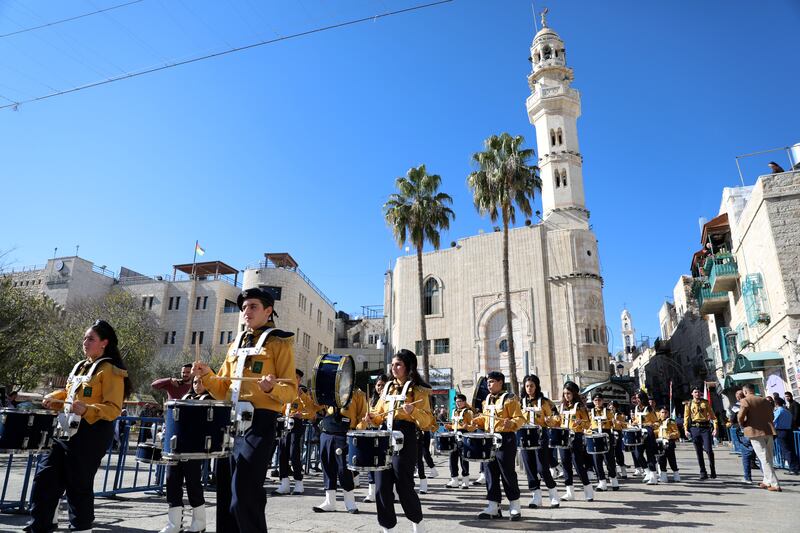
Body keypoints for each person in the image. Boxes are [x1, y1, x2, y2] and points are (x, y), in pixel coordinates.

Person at [192, 287, 296, 533]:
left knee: (244, 497)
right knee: (227, 500)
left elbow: (291, 391)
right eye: (243, 308)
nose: (245, 312)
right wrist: (206, 375)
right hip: (230, 424)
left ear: (268, 311)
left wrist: (272, 389)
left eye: (253, 307)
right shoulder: (235, 344)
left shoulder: (280, 343)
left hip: (260, 424)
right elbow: (223, 388)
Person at [27, 320, 131, 533]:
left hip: (91, 433)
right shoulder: (80, 366)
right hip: (64, 430)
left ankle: (81, 529)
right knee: (45, 476)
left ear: (104, 343)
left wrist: (87, 410)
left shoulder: (111, 370)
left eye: (90, 338)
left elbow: (113, 408)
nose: (85, 342)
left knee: (78, 484)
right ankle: (40, 525)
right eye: (84, 338)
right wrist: (54, 397)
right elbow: (69, 394)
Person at [363, 349, 434, 533]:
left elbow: (427, 422)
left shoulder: (418, 390)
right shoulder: (386, 388)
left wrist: (413, 412)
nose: (393, 368)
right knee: (381, 487)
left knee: (404, 486)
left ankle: (418, 524)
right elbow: (379, 414)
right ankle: (387, 528)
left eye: (398, 364)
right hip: (385, 437)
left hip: (406, 438)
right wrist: (371, 417)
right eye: (392, 364)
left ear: (408, 367)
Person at [159, 376, 213, 533]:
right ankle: (174, 524)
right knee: (171, 481)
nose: (197, 385)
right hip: (177, 447)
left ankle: (199, 522)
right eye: (195, 382)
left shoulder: (209, 399)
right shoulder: (185, 397)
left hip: (194, 447)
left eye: (202, 382)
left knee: (193, 483)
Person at [471, 371, 525, 520]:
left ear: (501, 382)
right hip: (489, 439)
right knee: (490, 473)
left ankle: (515, 506)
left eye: (492, 381)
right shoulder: (486, 399)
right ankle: (493, 507)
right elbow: (486, 419)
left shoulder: (510, 399)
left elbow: (520, 418)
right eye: (488, 382)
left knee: (507, 473)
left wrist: (512, 423)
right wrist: (477, 421)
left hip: (505, 439)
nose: (489, 385)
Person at [312, 385, 367, 514]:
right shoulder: (329, 391)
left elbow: (363, 416)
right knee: (327, 465)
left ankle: (350, 502)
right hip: (327, 432)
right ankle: (329, 501)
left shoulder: (358, 394)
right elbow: (315, 409)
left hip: (345, 433)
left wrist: (356, 432)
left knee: (344, 469)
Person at [273, 369, 319, 496]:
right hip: (285, 422)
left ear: (300, 380)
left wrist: (301, 414)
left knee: (294, 452)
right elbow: (281, 407)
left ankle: (298, 482)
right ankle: (284, 483)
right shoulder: (284, 391)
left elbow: (311, 410)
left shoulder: (303, 392)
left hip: (296, 423)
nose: (294, 379)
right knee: (282, 452)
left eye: (297, 377)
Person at [518, 374, 560, 508]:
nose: (529, 388)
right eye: (527, 386)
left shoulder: (545, 402)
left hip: (541, 436)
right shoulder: (520, 402)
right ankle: (536, 496)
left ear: (536, 386)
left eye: (532, 386)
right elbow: (516, 417)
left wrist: (550, 421)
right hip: (524, 437)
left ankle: (553, 494)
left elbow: (556, 417)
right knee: (529, 468)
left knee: (542, 468)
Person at [553, 381, 594, 501]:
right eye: (565, 393)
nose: (566, 396)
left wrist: (581, 422)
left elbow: (588, 424)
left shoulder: (580, 407)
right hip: (563, 437)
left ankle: (588, 489)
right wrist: (552, 420)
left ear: (574, 393)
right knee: (565, 464)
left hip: (575, 437)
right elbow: (558, 421)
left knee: (578, 464)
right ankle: (569, 492)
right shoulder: (561, 406)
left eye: (569, 393)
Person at [738, 383, 781, 491]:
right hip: (768, 430)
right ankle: (766, 481)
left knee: (763, 458)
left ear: (745, 391)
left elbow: (740, 416)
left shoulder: (745, 400)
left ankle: (775, 483)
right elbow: (772, 415)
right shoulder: (764, 400)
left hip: (755, 432)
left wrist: (743, 424)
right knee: (769, 457)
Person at [364, 374, 389, 503]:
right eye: (378, 385)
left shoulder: (390, 400)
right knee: (370, 463)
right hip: (372, 434)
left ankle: (391, 492)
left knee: (386, 464)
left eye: (383, 385)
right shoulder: (370, 401)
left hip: (385, 434)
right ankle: (371, 493)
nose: (380, 387)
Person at [683, 386, 717, 480]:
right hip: (694, 428)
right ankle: (703, 471)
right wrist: (686, 429)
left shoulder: (705, 403)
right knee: (698, 451)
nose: (697, 394)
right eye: (695, 392)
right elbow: (686, 417)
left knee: (709, 450)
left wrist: (715, 428)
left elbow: (712, 416)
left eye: (698, 392)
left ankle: (712, 469)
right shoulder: (688, 404)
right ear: (692, 394)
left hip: (705, 428)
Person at [589, 393, 619, 491]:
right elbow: (588, 425)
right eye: (595, 400)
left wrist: (615, 422)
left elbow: (612, 424)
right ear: (593, 402)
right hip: (595, 434)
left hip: (606, 435)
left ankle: (614, 480)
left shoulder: (608, 411)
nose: (597, 402)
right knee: (597, 460)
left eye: (599, 400)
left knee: (609, 459)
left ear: (603, 401)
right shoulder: (590, 412)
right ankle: (602, 482)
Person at [444, 394, 474, 489]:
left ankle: (465, 480)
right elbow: (453, 424)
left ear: (464, 402)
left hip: (464, 437)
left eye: (460, 401)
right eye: (456, 401)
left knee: (463, 459)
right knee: (452, 459)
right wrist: (449, 427)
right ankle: (454, 480)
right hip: (454, 436)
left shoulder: (468, 412)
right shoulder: (453, 411)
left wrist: (467, 427)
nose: (458, 403)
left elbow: (473, 427)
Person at [631, 391, 660, 485]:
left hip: (648, 433)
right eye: (636, 398)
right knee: (637, 454)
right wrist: (634, 422)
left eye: (638, 398)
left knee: (650, 454)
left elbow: (656, 422)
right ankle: (647, 472)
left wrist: (649, 425)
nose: (637, 400)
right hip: (638, 433)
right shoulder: (636, 408)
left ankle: (653, 476)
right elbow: (636, 420)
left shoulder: (649, 409)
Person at [773, 397, 800, 474]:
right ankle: (796, 467)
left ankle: (792, 468)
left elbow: (773, 421)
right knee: (792, 449)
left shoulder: (779, 411)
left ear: (776, 403)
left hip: (781, 431)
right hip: (789, 430)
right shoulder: (787, 411)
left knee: (786, 450)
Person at [656, 406, 680, 482]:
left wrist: (671, 435)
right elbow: (656, 431)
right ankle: (663, 476)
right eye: (662, 412)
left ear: (668, 413)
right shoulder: (657, 422)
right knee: (661, 459)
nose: (664, 414)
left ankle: (676, 475)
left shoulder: (671, 422)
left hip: (669, 442)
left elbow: (677, 433)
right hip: (660, 442)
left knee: (671, 459)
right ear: (659, 413)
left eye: (665, 412)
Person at [608, 401, 628, 478]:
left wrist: (620, 423)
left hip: (617, 433)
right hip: (610, 432)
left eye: (612, 406)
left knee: (618, 452)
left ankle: (623, 470)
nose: (611, 407)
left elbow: (625, 426)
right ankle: (615, 472)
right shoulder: (607, 414)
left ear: (616, 407)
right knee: (610, 453)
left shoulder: (621, 415)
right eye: (610, 406)